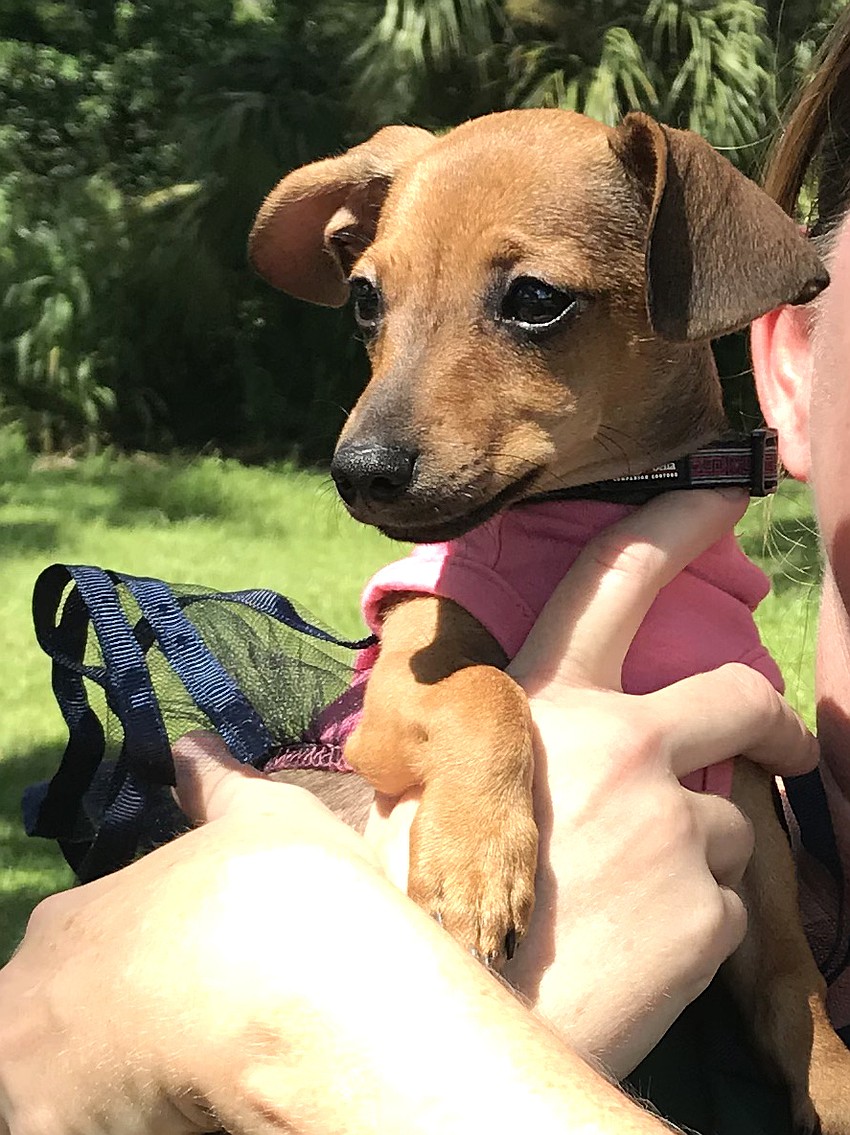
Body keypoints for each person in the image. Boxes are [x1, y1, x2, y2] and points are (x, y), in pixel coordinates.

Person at [3, 13, 850, 1129]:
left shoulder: (709, 594)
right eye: (374, 304)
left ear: (700, 292)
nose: (375, 433)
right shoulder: (488, 566)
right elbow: (406, 701)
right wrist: (485, 747)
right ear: (787, 362)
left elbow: (773, 958)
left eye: (531, 303)